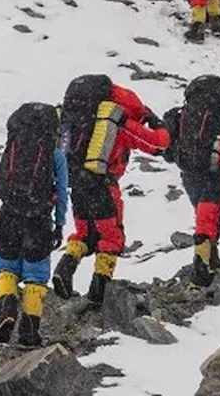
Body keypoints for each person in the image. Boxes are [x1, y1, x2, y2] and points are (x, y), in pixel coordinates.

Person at [51, 75, 169, 304]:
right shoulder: (115, 119)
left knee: (86, 234)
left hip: (77, 185)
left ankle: (66, 266)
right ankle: (99, 291)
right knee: (111, 237)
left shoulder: (72, 119)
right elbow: (157, 144)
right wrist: (158, 124)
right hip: (103, 186)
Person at [0, 102, 67, 348]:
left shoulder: (13, 149)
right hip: (38, 220)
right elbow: (62, 193)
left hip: (8, 215)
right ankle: (29, 332)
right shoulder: (55, 156)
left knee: (6, 268)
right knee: (36, 276)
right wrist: (59, 223)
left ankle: (7, 309)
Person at [162, 75, 220, 287]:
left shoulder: (184, 114)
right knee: (209, 219)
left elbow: (167, 145)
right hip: (216, 174)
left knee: (204, 216)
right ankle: (201, 274)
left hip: (190, 173)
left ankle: (211, 259)